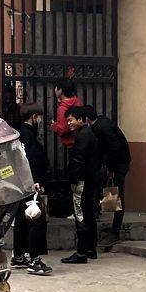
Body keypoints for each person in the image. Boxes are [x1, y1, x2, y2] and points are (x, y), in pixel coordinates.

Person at [11, 102, 52, 275]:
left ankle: (19, 255)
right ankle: (35, 259)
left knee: (22, 219)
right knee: (36, 219)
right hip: (30, 184)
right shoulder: (28, 136)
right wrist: (36, 181)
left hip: (21, 184)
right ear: (34, 117)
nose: (40, 120)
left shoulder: (18, 134)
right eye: (39, 117)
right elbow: (31, 160)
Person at [82, 105, 131, 245]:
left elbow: (114, 147)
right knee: (111, 193)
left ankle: (115, 231)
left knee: (117, 196)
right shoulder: (102, 124)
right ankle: (106, 222)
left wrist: (111, 168)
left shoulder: (101, 128)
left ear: (86, 119)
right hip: (119, 163)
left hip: (119, 165)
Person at [61, 106, 100, 264]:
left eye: (71, 120)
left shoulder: (83, 136)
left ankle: (82, 251)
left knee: (80, 213)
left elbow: (78, 160)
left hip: (82, 181)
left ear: (80, 119)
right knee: (88, 212)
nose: (69, 123)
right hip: (89, 179)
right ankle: (90, 248)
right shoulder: (88, 133)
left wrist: (73, 180)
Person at [50, 79, 82, 148]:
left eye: (56, 87)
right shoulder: (77, 101)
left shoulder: (62, 108)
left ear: (60, 91)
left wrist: (54, 125)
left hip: (70, 143)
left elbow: (63, 129)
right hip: (79, 138)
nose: (55, 89)